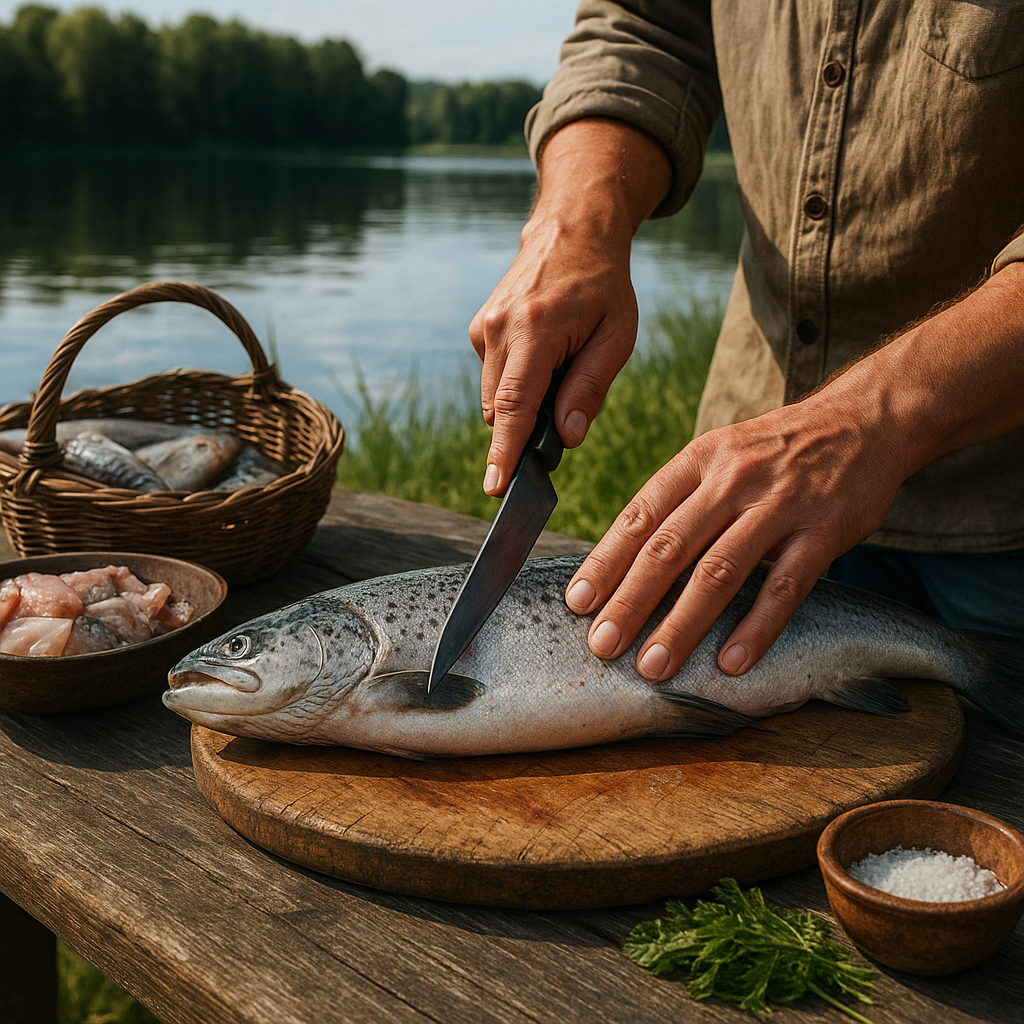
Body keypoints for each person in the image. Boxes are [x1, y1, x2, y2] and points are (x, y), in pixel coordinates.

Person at [469, 1, 1024, 686]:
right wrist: (576, 220)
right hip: (737, 511)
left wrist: (872, 418)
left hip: (1006, 523)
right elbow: (647, 28)